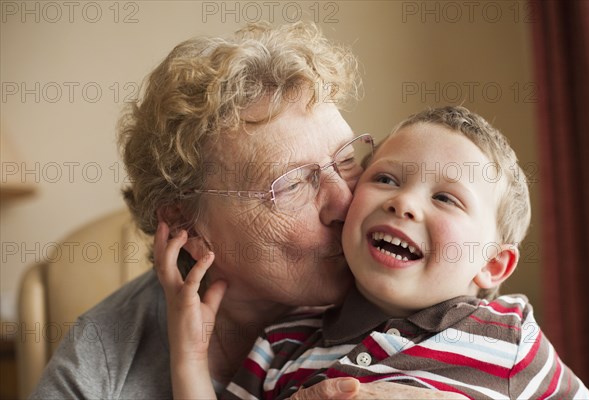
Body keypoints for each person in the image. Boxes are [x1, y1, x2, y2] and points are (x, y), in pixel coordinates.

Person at [30, 22, 461, 399]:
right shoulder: (103, 362)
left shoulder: (420, 291)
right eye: (293, 184)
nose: (347, 204)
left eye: (347, 160)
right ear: (186, 222)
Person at [163, 106, 589, 399]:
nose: (403, 203)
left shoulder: (511, 337)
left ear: (493, 264)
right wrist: (191, 360)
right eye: (386, 179)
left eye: (446, 199)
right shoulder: (282, 342)